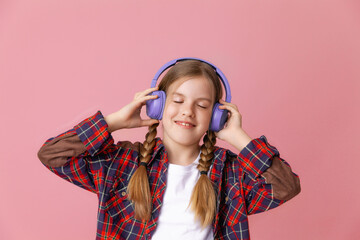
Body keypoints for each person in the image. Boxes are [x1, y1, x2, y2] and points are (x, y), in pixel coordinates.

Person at [37, 59, 300, 240]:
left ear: (216, 116)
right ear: (157, 106)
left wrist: (239, 137)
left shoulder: (230, 173)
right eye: (178, 100)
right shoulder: (121, 164)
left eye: (203, 105)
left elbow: (286, 187)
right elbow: (53, 155)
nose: (188, 110)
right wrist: (115, 121)